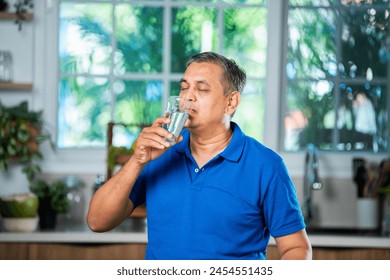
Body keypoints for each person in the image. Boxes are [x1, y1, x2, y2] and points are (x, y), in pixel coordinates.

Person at [87, 51, 312, 260]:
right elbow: (97, 221)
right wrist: (136, 161)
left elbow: (296, 247)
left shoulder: (266, 166)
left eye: (201, 89)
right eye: (184, 88)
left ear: (230, 102)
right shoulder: (158, 154)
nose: (188, 97)